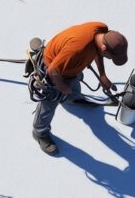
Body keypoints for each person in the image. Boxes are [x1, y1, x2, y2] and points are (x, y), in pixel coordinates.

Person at [29, 22, 128, 156]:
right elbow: (53, 70)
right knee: (49, 104)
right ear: (105, 48)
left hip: (70, 69)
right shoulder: (78, 49)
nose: (110, 59)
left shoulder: (101, 30)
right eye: (111, 57)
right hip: (53, 70)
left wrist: (102, 75)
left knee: (74, 90)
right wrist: (63, 88)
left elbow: (97, 52)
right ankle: (39, 132)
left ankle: (71, 99)